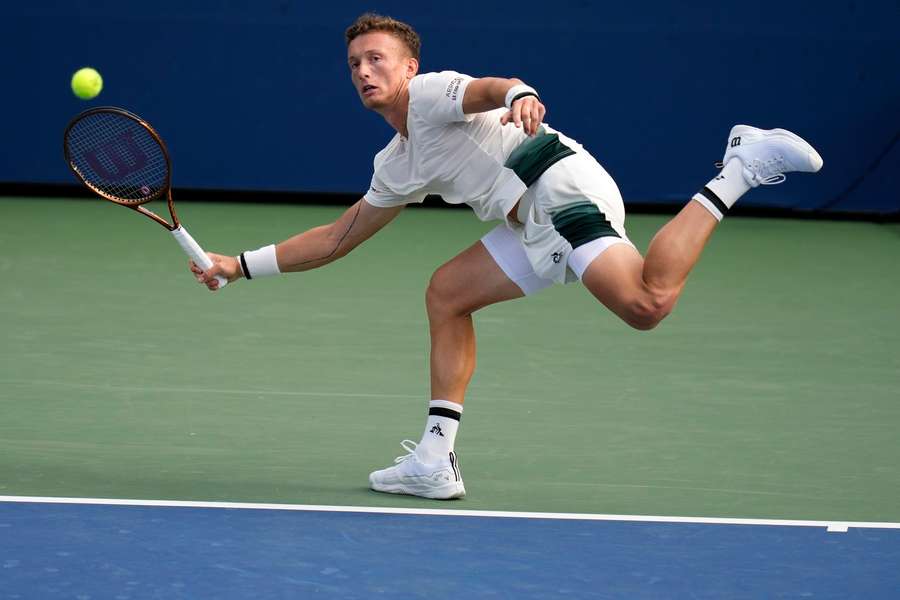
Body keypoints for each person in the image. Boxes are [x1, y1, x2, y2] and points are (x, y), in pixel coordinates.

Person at [192, 13, 823, 500]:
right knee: (447, 292)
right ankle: (435, 461)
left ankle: (741, 165)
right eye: (355, 61)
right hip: (530, 226)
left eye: (377, 58)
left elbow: (490, 88)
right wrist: (238, 264)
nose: (364, 70)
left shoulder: (434, 94)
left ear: (409, 68)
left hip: (558, 187)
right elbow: (337, 238)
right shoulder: (398, 163)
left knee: (646, 302)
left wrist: (519, 91)